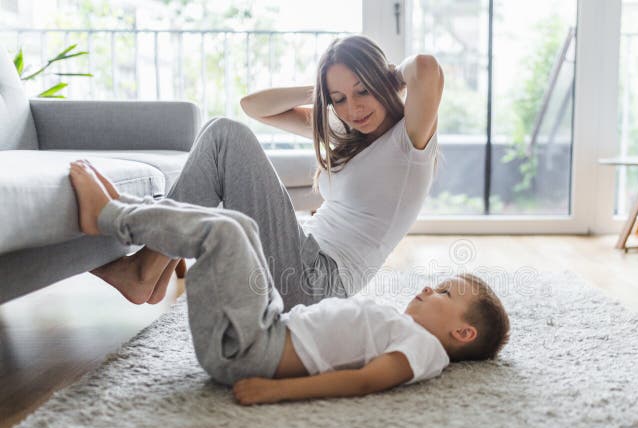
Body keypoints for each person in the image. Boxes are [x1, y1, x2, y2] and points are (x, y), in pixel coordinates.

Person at [68, 159, 509, 404]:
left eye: (445, 293)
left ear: (462, 333)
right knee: (240, 225)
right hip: (269, 324)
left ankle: (109, 215)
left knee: (222, 234)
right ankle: (126, 210)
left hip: (250, 353)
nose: (431, 288)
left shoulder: (425, 350)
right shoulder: (412, 331)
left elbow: (364, 382)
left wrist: (276, 391)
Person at [89, 34, 445, 311]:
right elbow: (254, 106)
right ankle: (154, 271)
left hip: (316, 283)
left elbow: (426, 68)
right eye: (339, 99)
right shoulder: (349, 135)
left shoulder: (408, 142)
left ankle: (146, 270)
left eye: (363, 90)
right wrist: (322, 91)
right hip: (300, 264)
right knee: (222, 136)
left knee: (224, 136)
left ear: (382, 82)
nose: (353, 108)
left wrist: (388, 77)